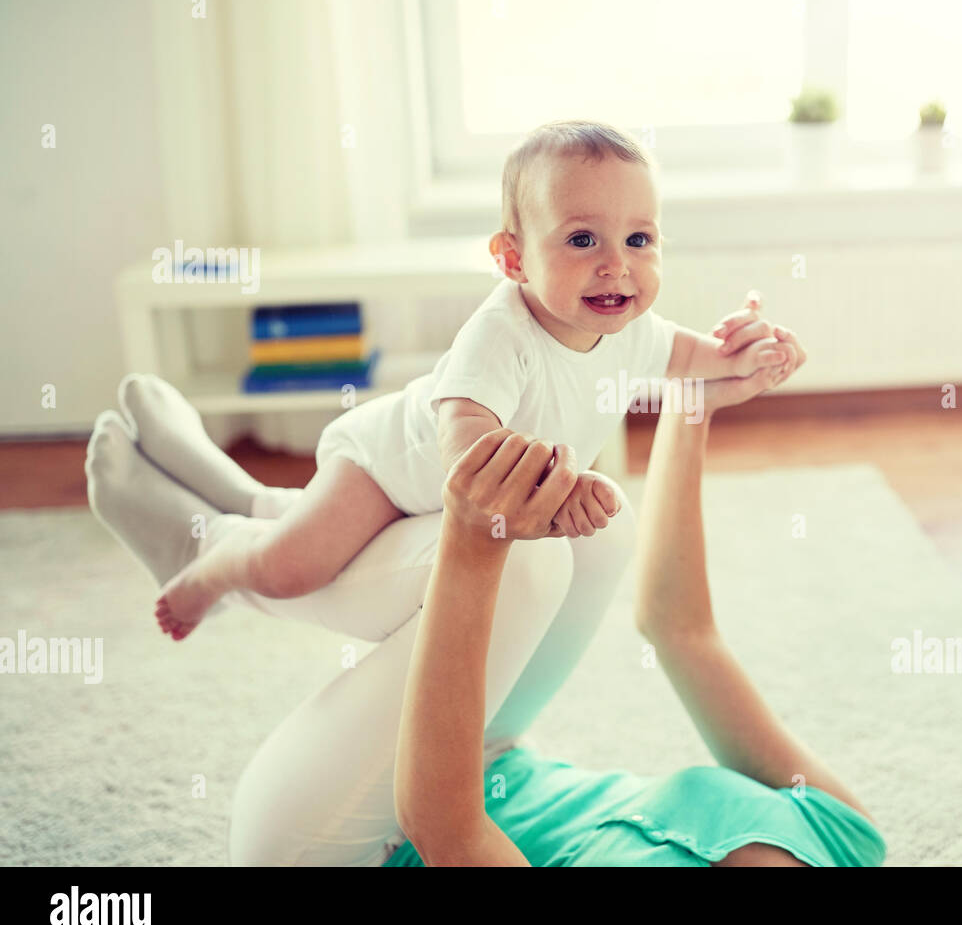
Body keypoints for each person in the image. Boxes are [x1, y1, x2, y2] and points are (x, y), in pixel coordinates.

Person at [86, 299, 883, 866]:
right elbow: (682, 632)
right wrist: (693, 399)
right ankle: (261, 514)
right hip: (491, 744)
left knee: (527, 554)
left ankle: (229, 544)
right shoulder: (840, 841)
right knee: (599, 535)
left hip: (349, 845)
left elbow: (444, 830)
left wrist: (476, 535)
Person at [142, 119, 797, 639]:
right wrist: (553, 491)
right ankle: (216, 567)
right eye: (581, 240)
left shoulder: (635, 331)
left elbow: (690, 359)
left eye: (638, 240)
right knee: (295, 569)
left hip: (438, 494)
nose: (616, 266)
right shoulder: (501, 334)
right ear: (513, 259)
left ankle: (264, 506)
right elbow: (466, 448)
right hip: (389, 470)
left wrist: (747, 354)